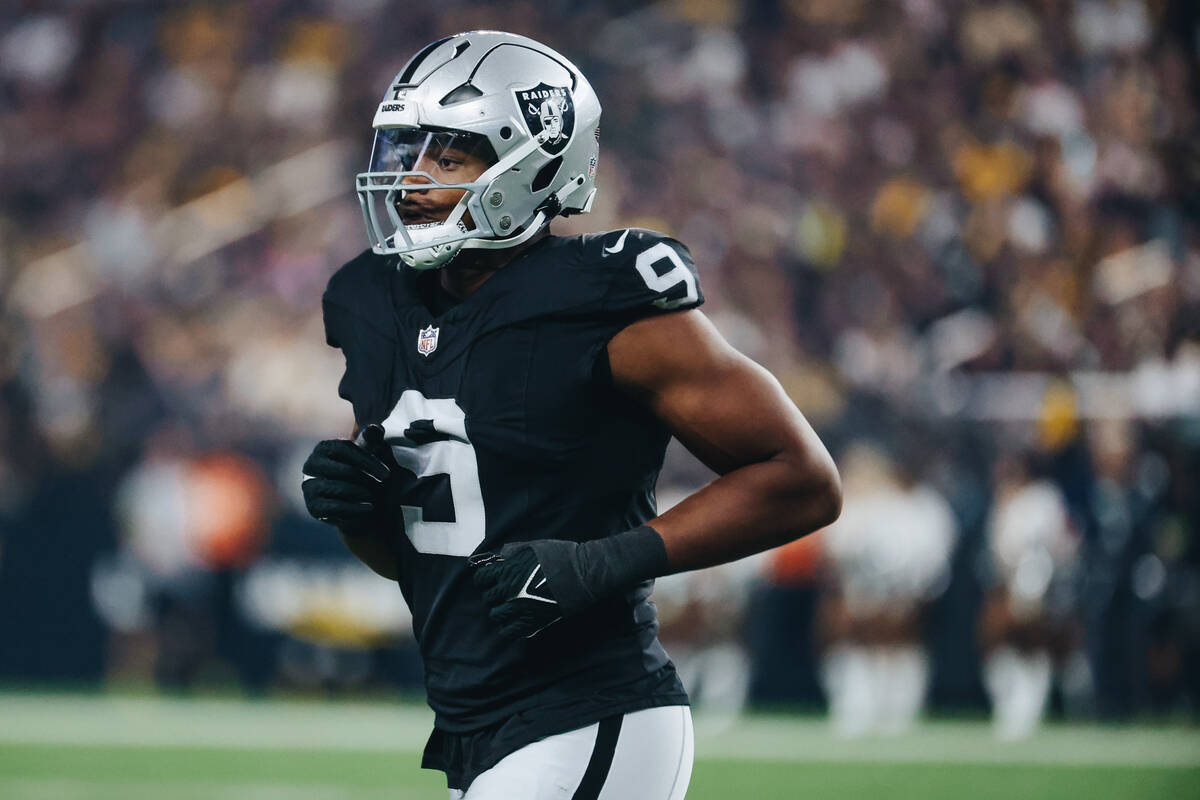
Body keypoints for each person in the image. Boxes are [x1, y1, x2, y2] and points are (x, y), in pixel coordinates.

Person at [300, 31, 841, 799]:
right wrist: (357, 513)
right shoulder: (378, 303)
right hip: (471, 719)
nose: (410, 180)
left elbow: (802, 479)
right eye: (408, 151)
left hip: (589, 712)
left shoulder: (603, 297)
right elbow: (427, 562)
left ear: (529, 167)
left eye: (447, 157)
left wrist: (603, 562)